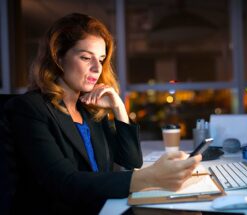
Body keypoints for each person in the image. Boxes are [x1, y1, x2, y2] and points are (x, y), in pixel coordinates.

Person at [3, 13, 202, 215]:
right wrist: (150, 177)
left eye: (101, 59)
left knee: (191, 211)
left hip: (105, 206)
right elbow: (64, 182)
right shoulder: (28, 108)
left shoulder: (88, 110)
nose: (97, 68)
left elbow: (131, 161)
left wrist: (118, 108)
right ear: (59, 57)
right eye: (86, 57)